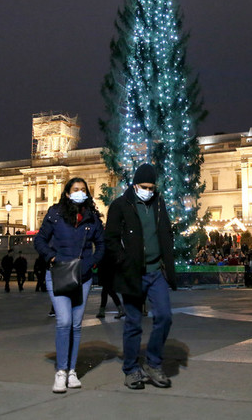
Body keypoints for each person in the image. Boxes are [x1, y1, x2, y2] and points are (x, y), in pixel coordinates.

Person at [105, 163, 176, 390]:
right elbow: (111, 238)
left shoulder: (158, 204)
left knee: (164, 316)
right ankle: (131, 369)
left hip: (156, 271)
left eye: (151, 187)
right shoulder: (120, 205)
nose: (148, 191)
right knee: (133, 323)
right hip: (132, 273)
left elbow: (166, 232)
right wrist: (123, 260)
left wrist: (167, 257)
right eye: (144, 187)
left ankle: (153, 363)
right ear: (135, 185)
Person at [34, 177, 104, 393]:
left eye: (83, 189)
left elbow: (102, 245)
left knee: (76, 324)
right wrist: (52, 257)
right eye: (75, 189)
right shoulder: (55, 213)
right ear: (67, 193)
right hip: (58, 273)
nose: (79, 192)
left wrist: (90, 263)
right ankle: (61, 371)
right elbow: (40, 240)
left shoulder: (92, 217)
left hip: (82, 276)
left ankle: (72, 370)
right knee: (64, 321)